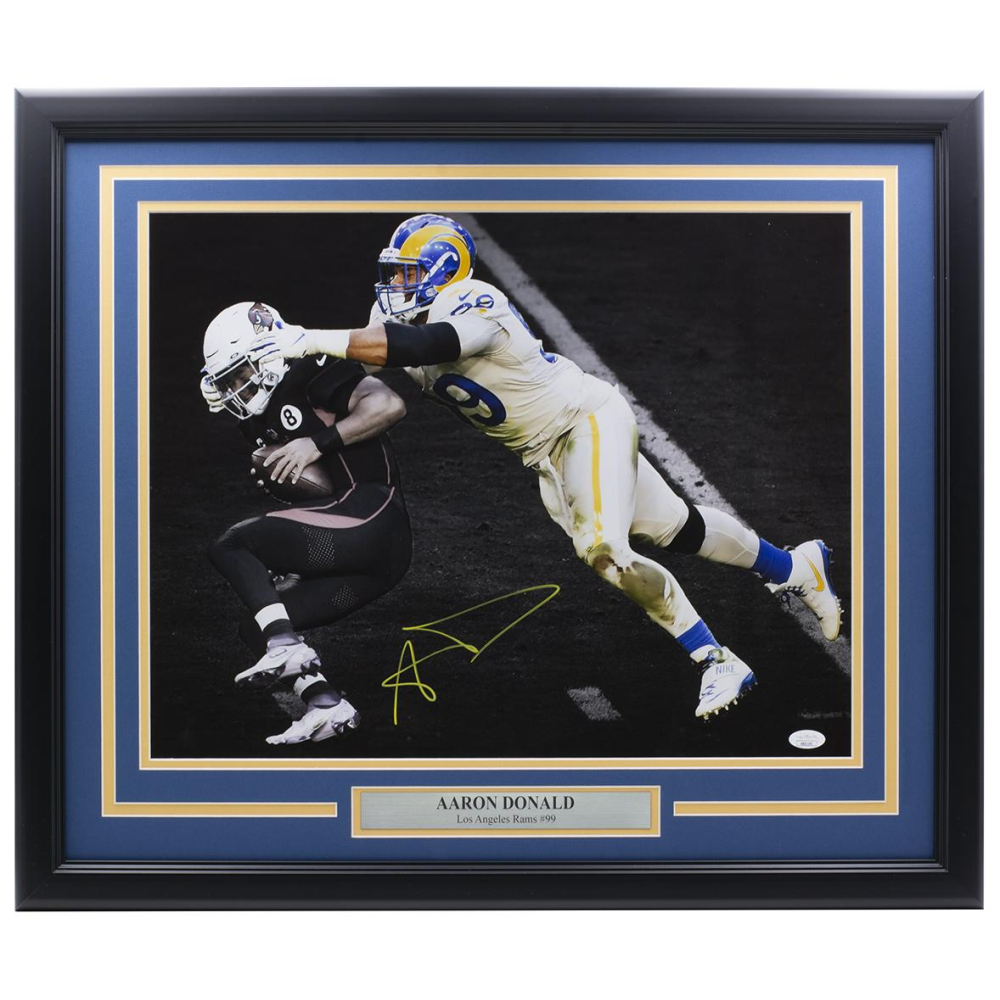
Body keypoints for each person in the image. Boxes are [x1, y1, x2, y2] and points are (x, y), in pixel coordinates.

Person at [249, 217, 841, 720]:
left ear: (442, 270)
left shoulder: (474, 300)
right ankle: (797, 567)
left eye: (407, 272)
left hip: (584, 421)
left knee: (604, 551)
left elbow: (426, 347)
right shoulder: (396, 317)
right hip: (546, 454)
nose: (394, 284)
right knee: (676, 528)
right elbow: (357, 374)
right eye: (393, 272)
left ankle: (716, 659)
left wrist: (308, 337)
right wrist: (280, 389)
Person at [199, 301, 411, 743]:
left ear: (267, 354)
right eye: (228, 381)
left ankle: (285, 647)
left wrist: (316, 443)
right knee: (258, 623)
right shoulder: (254, 416)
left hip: (373, 515)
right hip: (370, 558)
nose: (236, 389)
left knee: (234, 545)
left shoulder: (310, 370)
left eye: (241, 373)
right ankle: (326, 706)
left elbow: (389, 404)